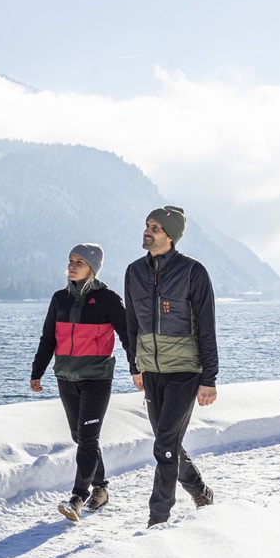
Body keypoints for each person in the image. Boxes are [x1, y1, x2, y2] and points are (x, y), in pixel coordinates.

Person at [123, 205, 218, 527]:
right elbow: (131, 323)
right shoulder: (134, 271)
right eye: (147, 225)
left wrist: (209, 377)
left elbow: (207, 326)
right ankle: (200, 490)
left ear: (171, 236)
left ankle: (157, 518)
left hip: (185, 371)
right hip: (151, 371)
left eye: (156, 228)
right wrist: (134, 366)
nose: (148, 231)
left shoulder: (193, 271)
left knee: (164, 445)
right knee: (169, 443)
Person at [30, 243, 130, 522]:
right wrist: (37, 371)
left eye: (80, 262)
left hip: (96, 379)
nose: (72, 266)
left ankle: (77, 497)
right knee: (80, 437)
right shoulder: (59, 299)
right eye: (71, 260)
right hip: (66, 377)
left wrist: (138, 369)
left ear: (93, 268)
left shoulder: (108, 299)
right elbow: (48, 337)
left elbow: (127, 336)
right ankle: (101, 488)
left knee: (87, 438)